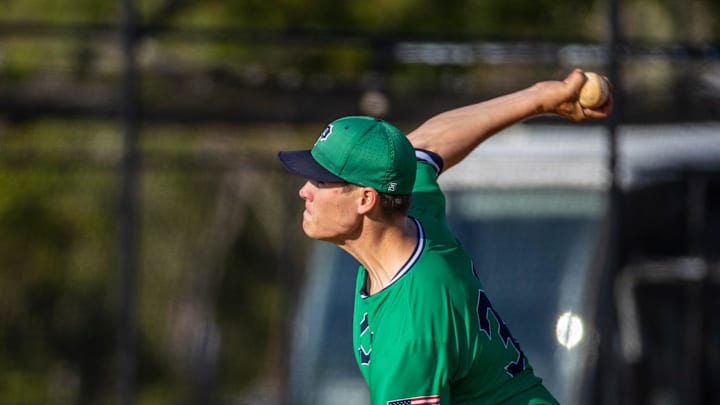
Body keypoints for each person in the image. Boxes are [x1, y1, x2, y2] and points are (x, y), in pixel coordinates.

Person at [277, 69, 612, 405]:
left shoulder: (411, 330)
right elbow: (430, 142)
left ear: (366, 199)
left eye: (321, 182)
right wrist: (540, 98)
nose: (305, 191)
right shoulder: (412, 213)